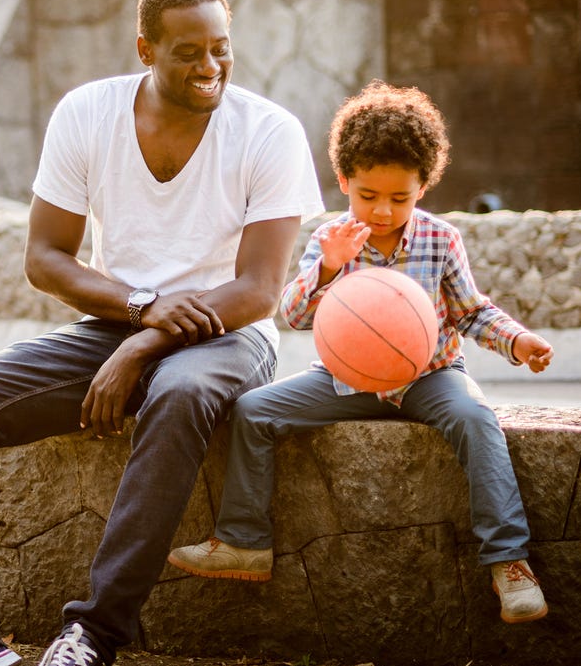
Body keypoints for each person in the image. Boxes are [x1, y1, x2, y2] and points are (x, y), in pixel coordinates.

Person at [0, 0, 325, 666]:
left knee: (181, 389)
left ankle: (93, 634)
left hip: (230, 334)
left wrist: (144, 346)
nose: (210, 66)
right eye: (188, 52)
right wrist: (139, 310)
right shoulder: (87, 114)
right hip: (118, 324)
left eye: (221, 48)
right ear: (145, 48)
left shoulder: (269, 132)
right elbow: (46, 258)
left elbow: (259, 289)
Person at [167, 79, 554, 624]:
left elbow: (470, 312)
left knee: (476, 418)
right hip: (343, 380)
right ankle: (244, 541)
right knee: (253, 411)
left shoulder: (441, 240)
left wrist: (518, 340)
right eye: (367, 196)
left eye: (400, 197)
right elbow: (295, 315)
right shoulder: (329, 242)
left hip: (430, 377)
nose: (382, 211)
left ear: (424, 186)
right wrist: (328, 267)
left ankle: (510, 564)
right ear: (345, 181)